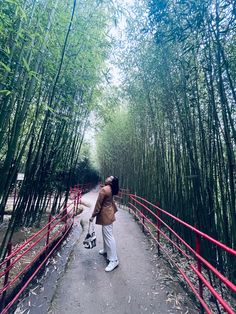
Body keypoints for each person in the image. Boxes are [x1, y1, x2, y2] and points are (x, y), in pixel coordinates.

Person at [90, 176, 119, 272]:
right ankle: (106, 250)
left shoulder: (104, 189)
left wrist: (93, 216)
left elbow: (98, 204)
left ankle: (114, 260)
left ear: (110, 182)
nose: (107, 177)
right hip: (109, 214)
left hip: (106, 215)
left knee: (109, 236)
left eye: (110, 178)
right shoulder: (110, 188)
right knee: (106, 234)